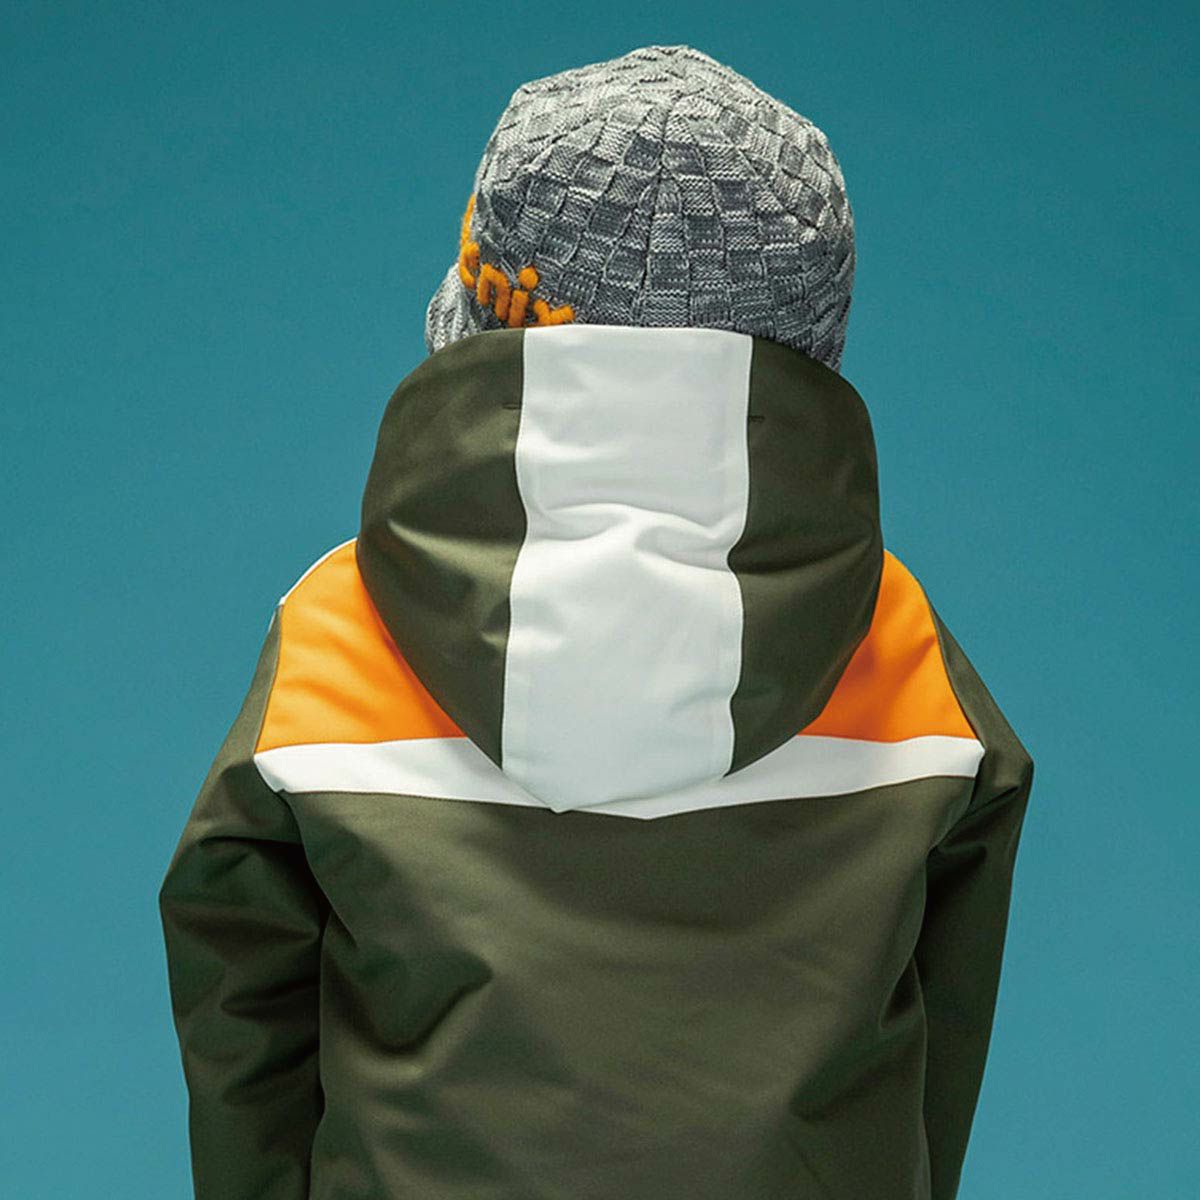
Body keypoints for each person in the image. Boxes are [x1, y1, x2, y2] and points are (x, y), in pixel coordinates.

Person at [158, 43, 1035, 1200]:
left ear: (485, 314)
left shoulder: (338, 631)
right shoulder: (902, 647)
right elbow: (935, 1052)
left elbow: (245, 1028)